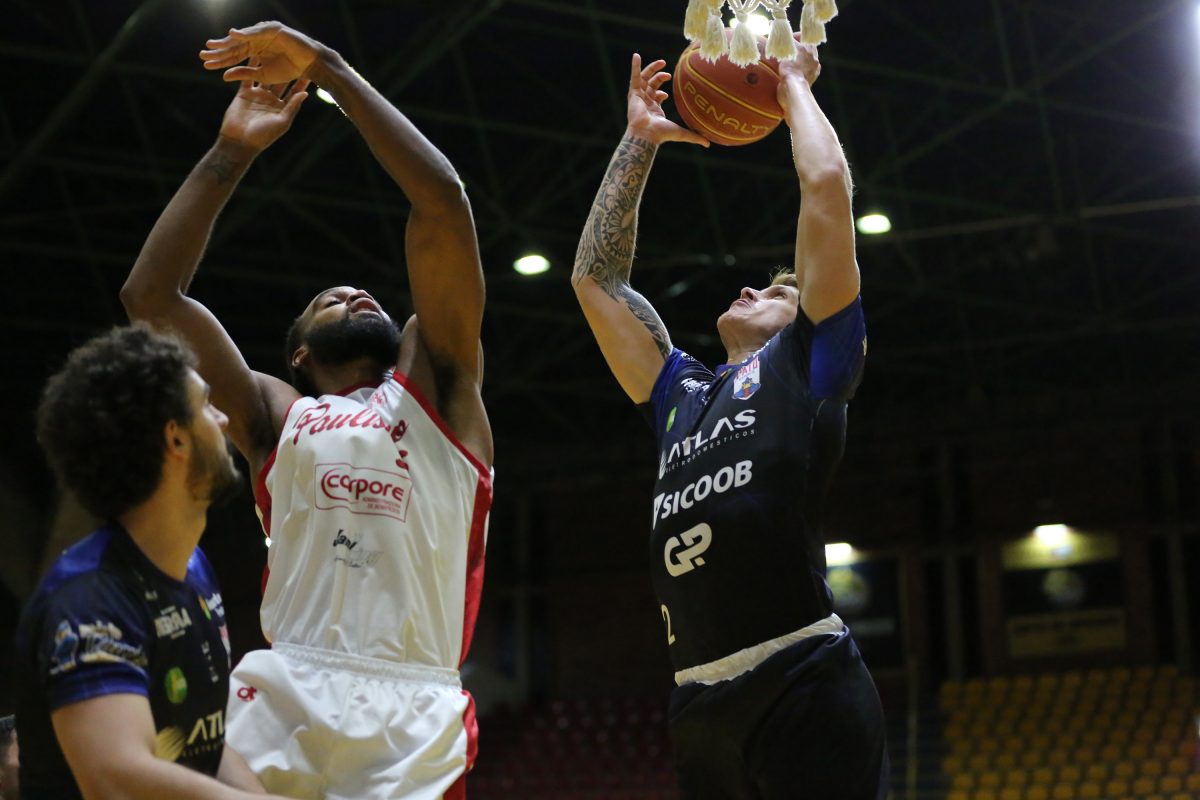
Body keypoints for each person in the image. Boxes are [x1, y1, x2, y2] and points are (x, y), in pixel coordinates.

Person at [120, 21, 493, 800]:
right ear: (297, 354)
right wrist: (231, 153)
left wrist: (330, 70)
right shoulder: (275, 416)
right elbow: (150, 297)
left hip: (412, 702)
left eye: (363, 293)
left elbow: (442, 200)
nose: (356, 292)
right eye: (330, 298)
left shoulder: (442, 385)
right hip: (286, 686)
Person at [571, 46, 888, 798]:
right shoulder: (679, 391)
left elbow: (825, 186)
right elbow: (595, 279)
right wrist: (639, 141)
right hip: (699, 700)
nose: (750, 288)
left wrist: (794, 85)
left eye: (777, 293)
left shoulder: (808, 363)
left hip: (801, 674)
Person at [14, 326, 287, 800]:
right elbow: (116, 778)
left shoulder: (194, 568)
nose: (222, 419)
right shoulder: (88, 600)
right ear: (176, 438)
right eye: (206, 405)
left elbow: (203, 742)